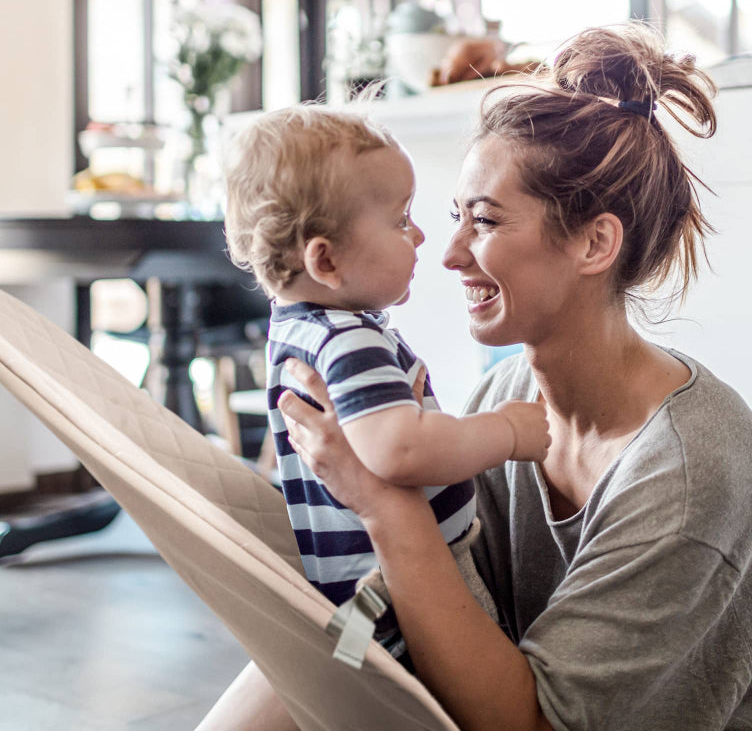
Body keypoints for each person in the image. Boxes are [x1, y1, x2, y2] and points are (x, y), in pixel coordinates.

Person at [201, 24, 752, 731]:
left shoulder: (692, 482)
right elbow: (436, 601)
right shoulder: (506, 401)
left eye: (485, 222)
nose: (447, 255)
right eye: (451, 219)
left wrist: (383, 502)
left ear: (595, 243)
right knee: (321, 655)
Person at [223, 104, 551, 658]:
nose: (421, 236)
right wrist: (508, 431)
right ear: (325, 261)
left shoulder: (300, 329)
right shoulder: (346, 340)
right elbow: (400, 449)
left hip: (368, 597)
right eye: (401, 220)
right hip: (392, 600)